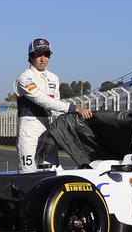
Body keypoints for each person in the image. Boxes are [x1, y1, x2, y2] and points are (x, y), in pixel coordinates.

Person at [14, 37, 92, 172]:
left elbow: (56, 107)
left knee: (53, 172)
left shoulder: (53, 78)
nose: (43, 59)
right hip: (29, 131)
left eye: (47, 55)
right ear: (31, 56)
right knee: (28, 172)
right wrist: (74, 108)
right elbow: (42, 100)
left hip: (48, 130)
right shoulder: (24, 78)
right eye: (39, 55)